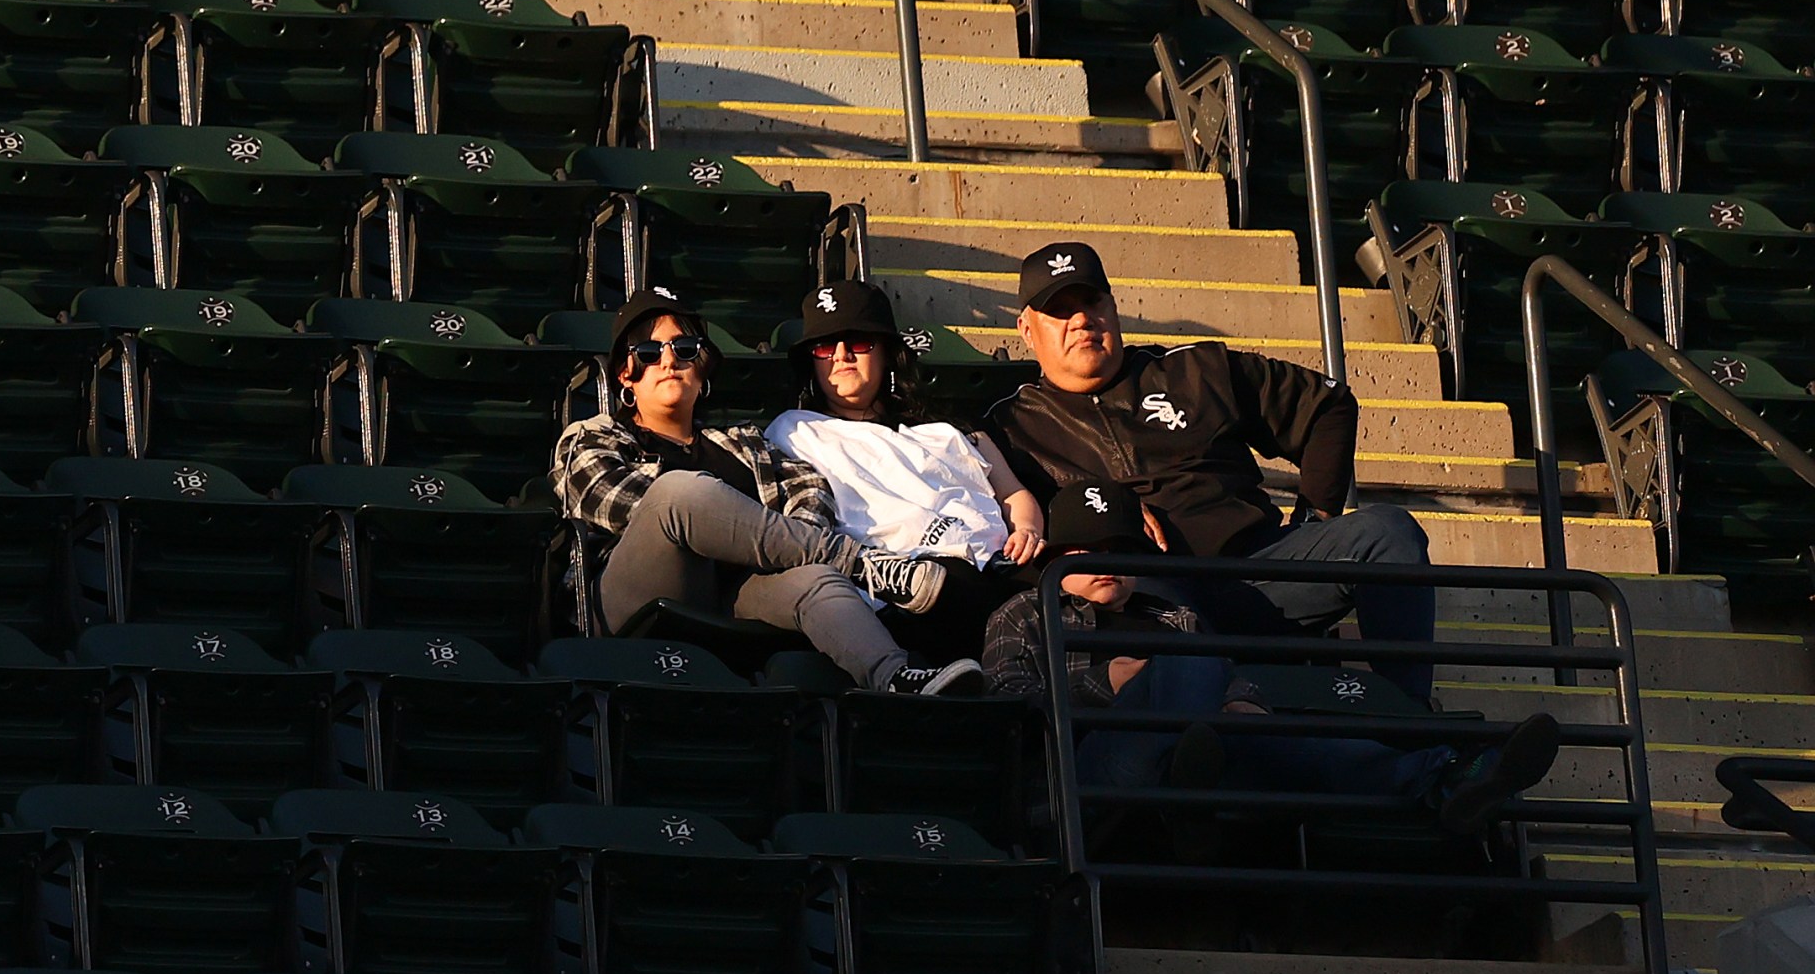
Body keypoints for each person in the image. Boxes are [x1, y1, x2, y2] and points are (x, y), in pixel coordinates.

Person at [983, 240, 1443, 700]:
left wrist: (1314, 516)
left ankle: (1408, 715)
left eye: (1091, 301)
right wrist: (1110, 512)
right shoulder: (1010, 426)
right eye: (1060, 311)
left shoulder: (1194, 370)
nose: (1082, 319)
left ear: (1113, 306)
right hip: (1145, 600)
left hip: (1263, 568)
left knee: (1387, 532)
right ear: (1027, 329)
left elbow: (1328, 404)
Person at [983, 480, 1561, 839]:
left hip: (1207, 753)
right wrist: (1099, 686)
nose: (1105, 562)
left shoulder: (1169, 614)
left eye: (1120, 549)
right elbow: (1007, 713)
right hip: (1093, 772)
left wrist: (1244, 700)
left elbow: (1228, 675)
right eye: (1087, 551)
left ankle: (1450, 778)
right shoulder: (1024, 614)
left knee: (1281, 730)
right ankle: (1190, 783)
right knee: (1191, 662)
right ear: (1056, 556)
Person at [550, 285, 983, 696]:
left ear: (703, 368)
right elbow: (608, 500)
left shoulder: (745, 444)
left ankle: (894, 675)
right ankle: (864, 565)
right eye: (648, 351)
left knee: (816, 577)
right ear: (626, 375)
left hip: (738, 595)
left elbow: (811, 491)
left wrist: (771, 543)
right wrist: (733, 520)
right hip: (638, 595)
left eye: (684, 349)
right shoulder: (594, 436)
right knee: (678, 492)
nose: (668, 362)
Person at [764, 279, 1045, 664]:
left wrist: (1027, 529)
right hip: (907, 588)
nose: (842, 356)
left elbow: (1013, 494)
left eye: (859, 342)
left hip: (1000, 566)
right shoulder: (794, 431)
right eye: (825, 346)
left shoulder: (951, 431)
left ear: (888, 354)